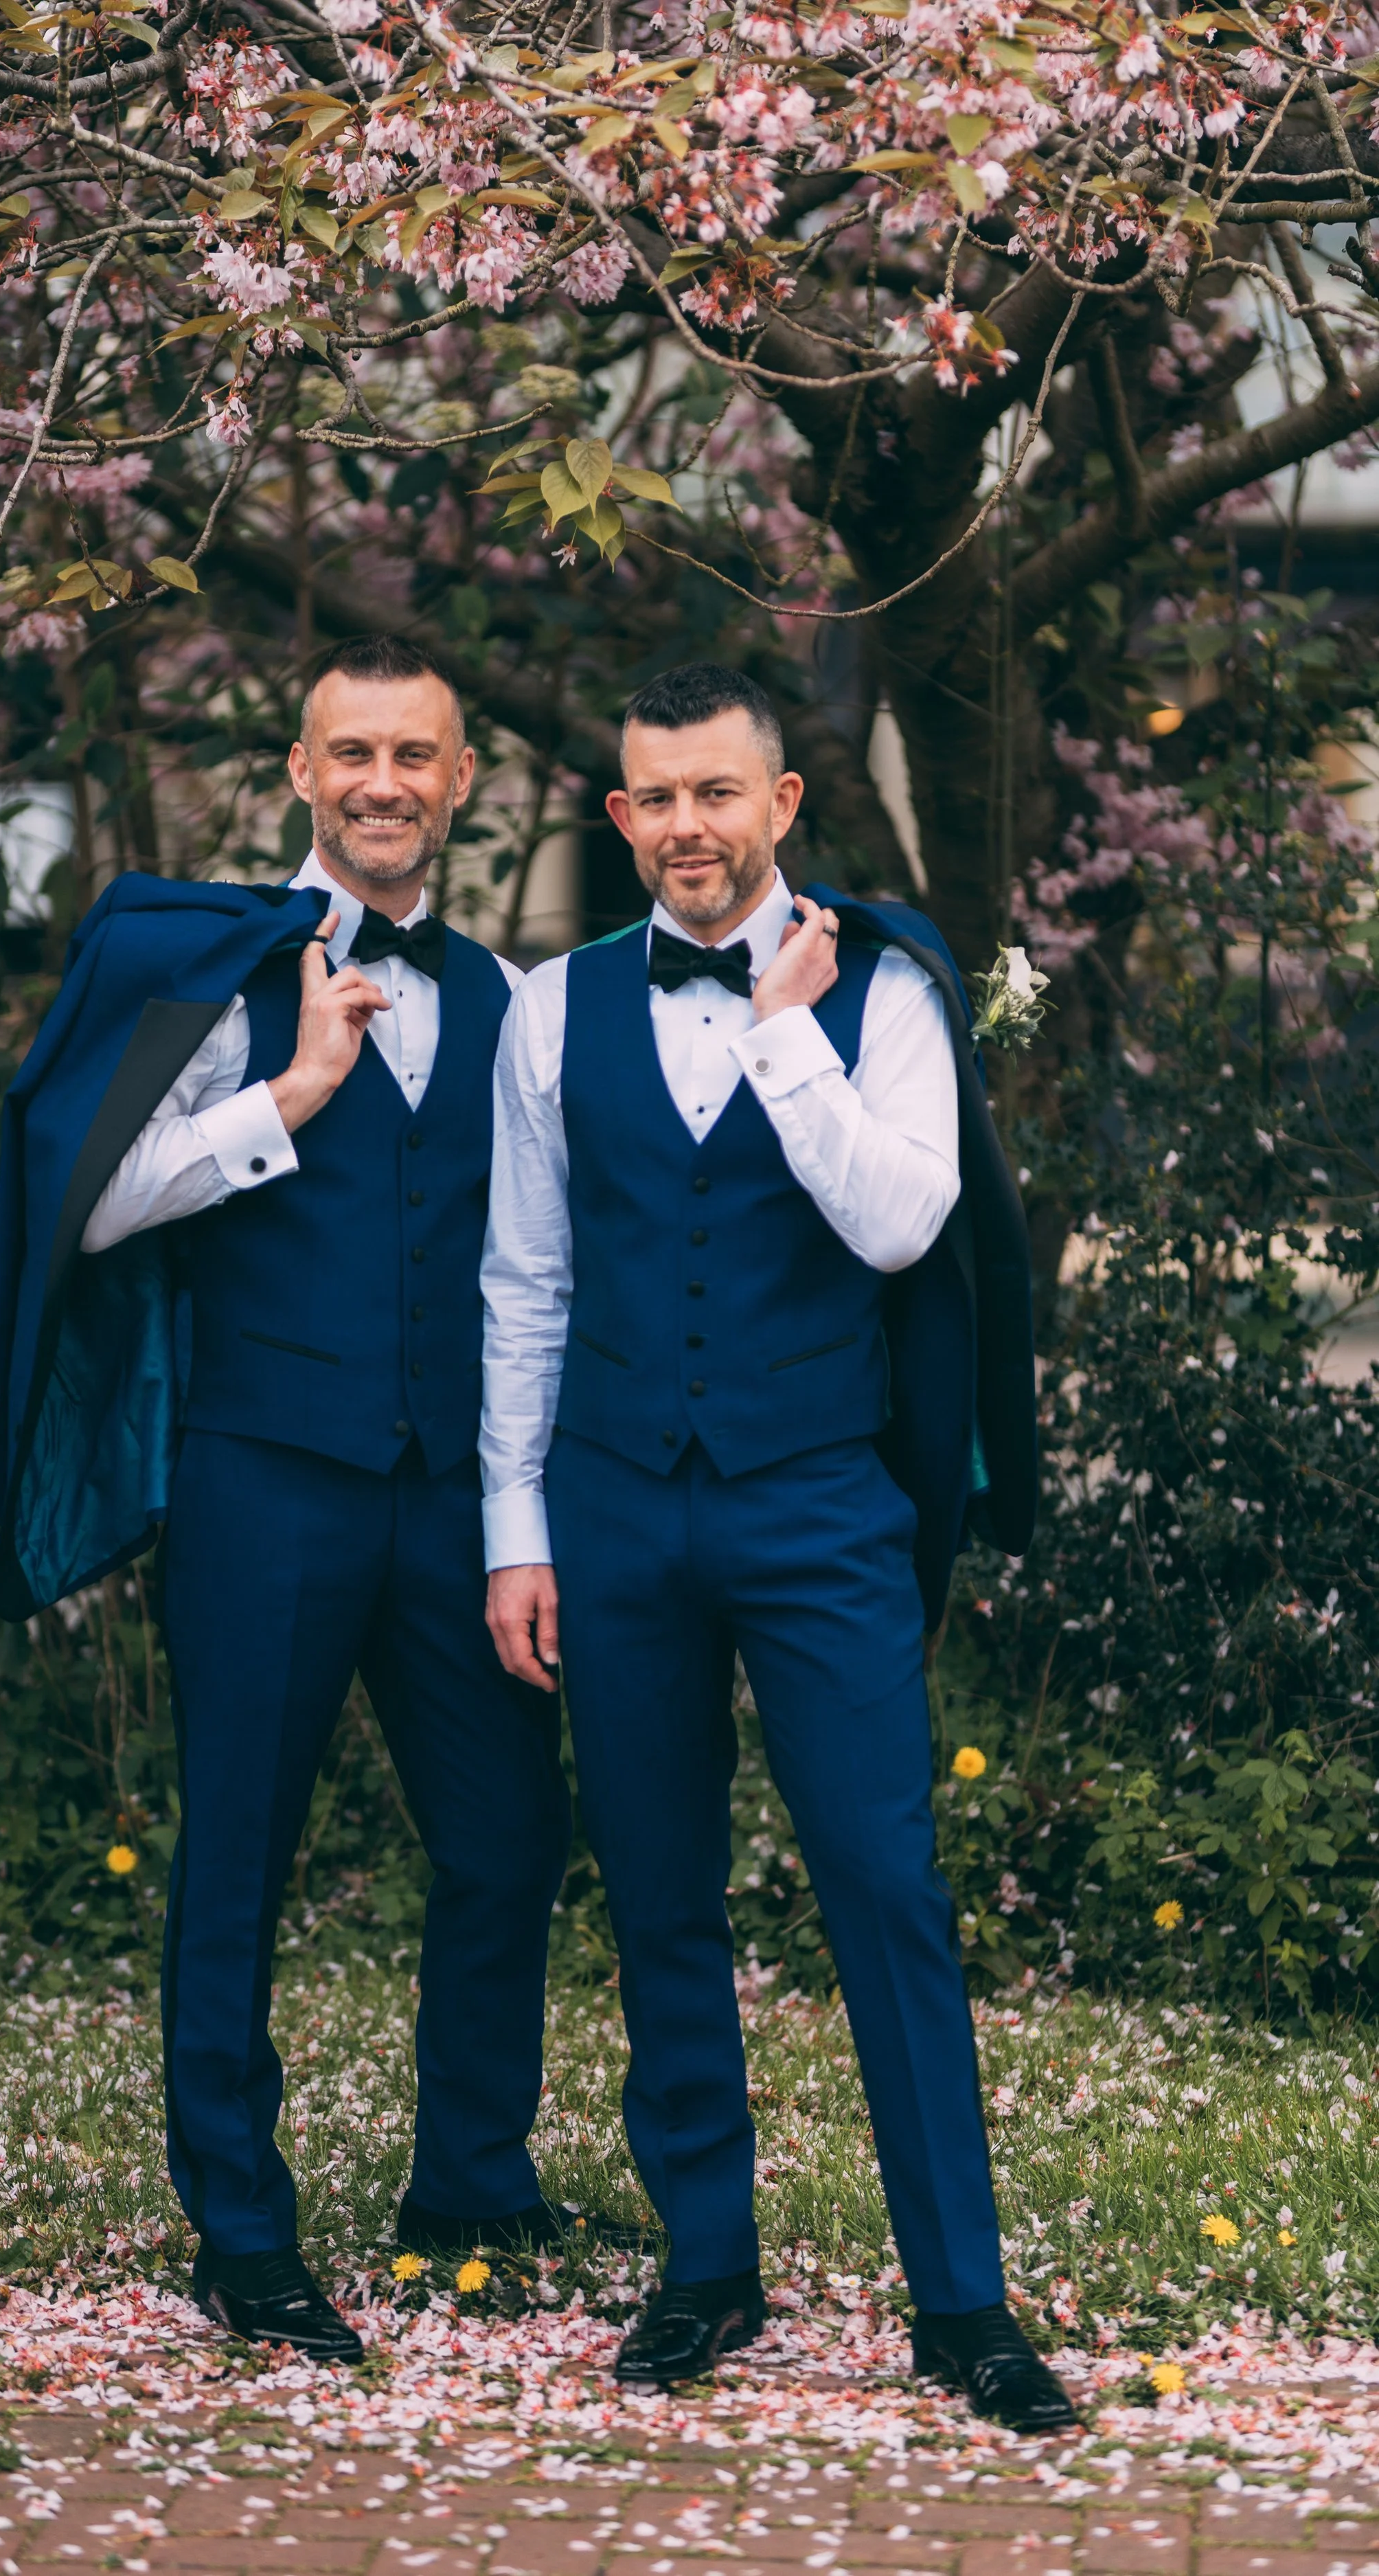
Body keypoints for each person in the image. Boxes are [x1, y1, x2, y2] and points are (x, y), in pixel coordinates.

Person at [480, 662, 1075, 2430]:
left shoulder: (881, 992)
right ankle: (706, 2267)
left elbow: (902, 1222)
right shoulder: (547, 1008)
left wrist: (776, 1034)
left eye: (715, 794)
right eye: (653, 797)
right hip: (611, 1502)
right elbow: (527, 1279)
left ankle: (958, 2303)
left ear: (781, 802)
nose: (684, 827)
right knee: (657, 1890)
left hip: (818, 1506)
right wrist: (518, 1529)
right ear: (618, 814)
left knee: (883, 1891)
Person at [61, 635, 602, 2361]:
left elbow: (543, 1264)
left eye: (417, 756)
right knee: (236, 1854)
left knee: (507, 1842)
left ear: (459, 785)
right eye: (350, 752)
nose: (384, 782)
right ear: (301, 772)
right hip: (262, 1484)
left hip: (452, 1499)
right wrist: (284, 1098)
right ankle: (240, 2226)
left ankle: (469, 2185)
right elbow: (89, 1204)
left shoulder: (514, 1002)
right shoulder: (222, 971)